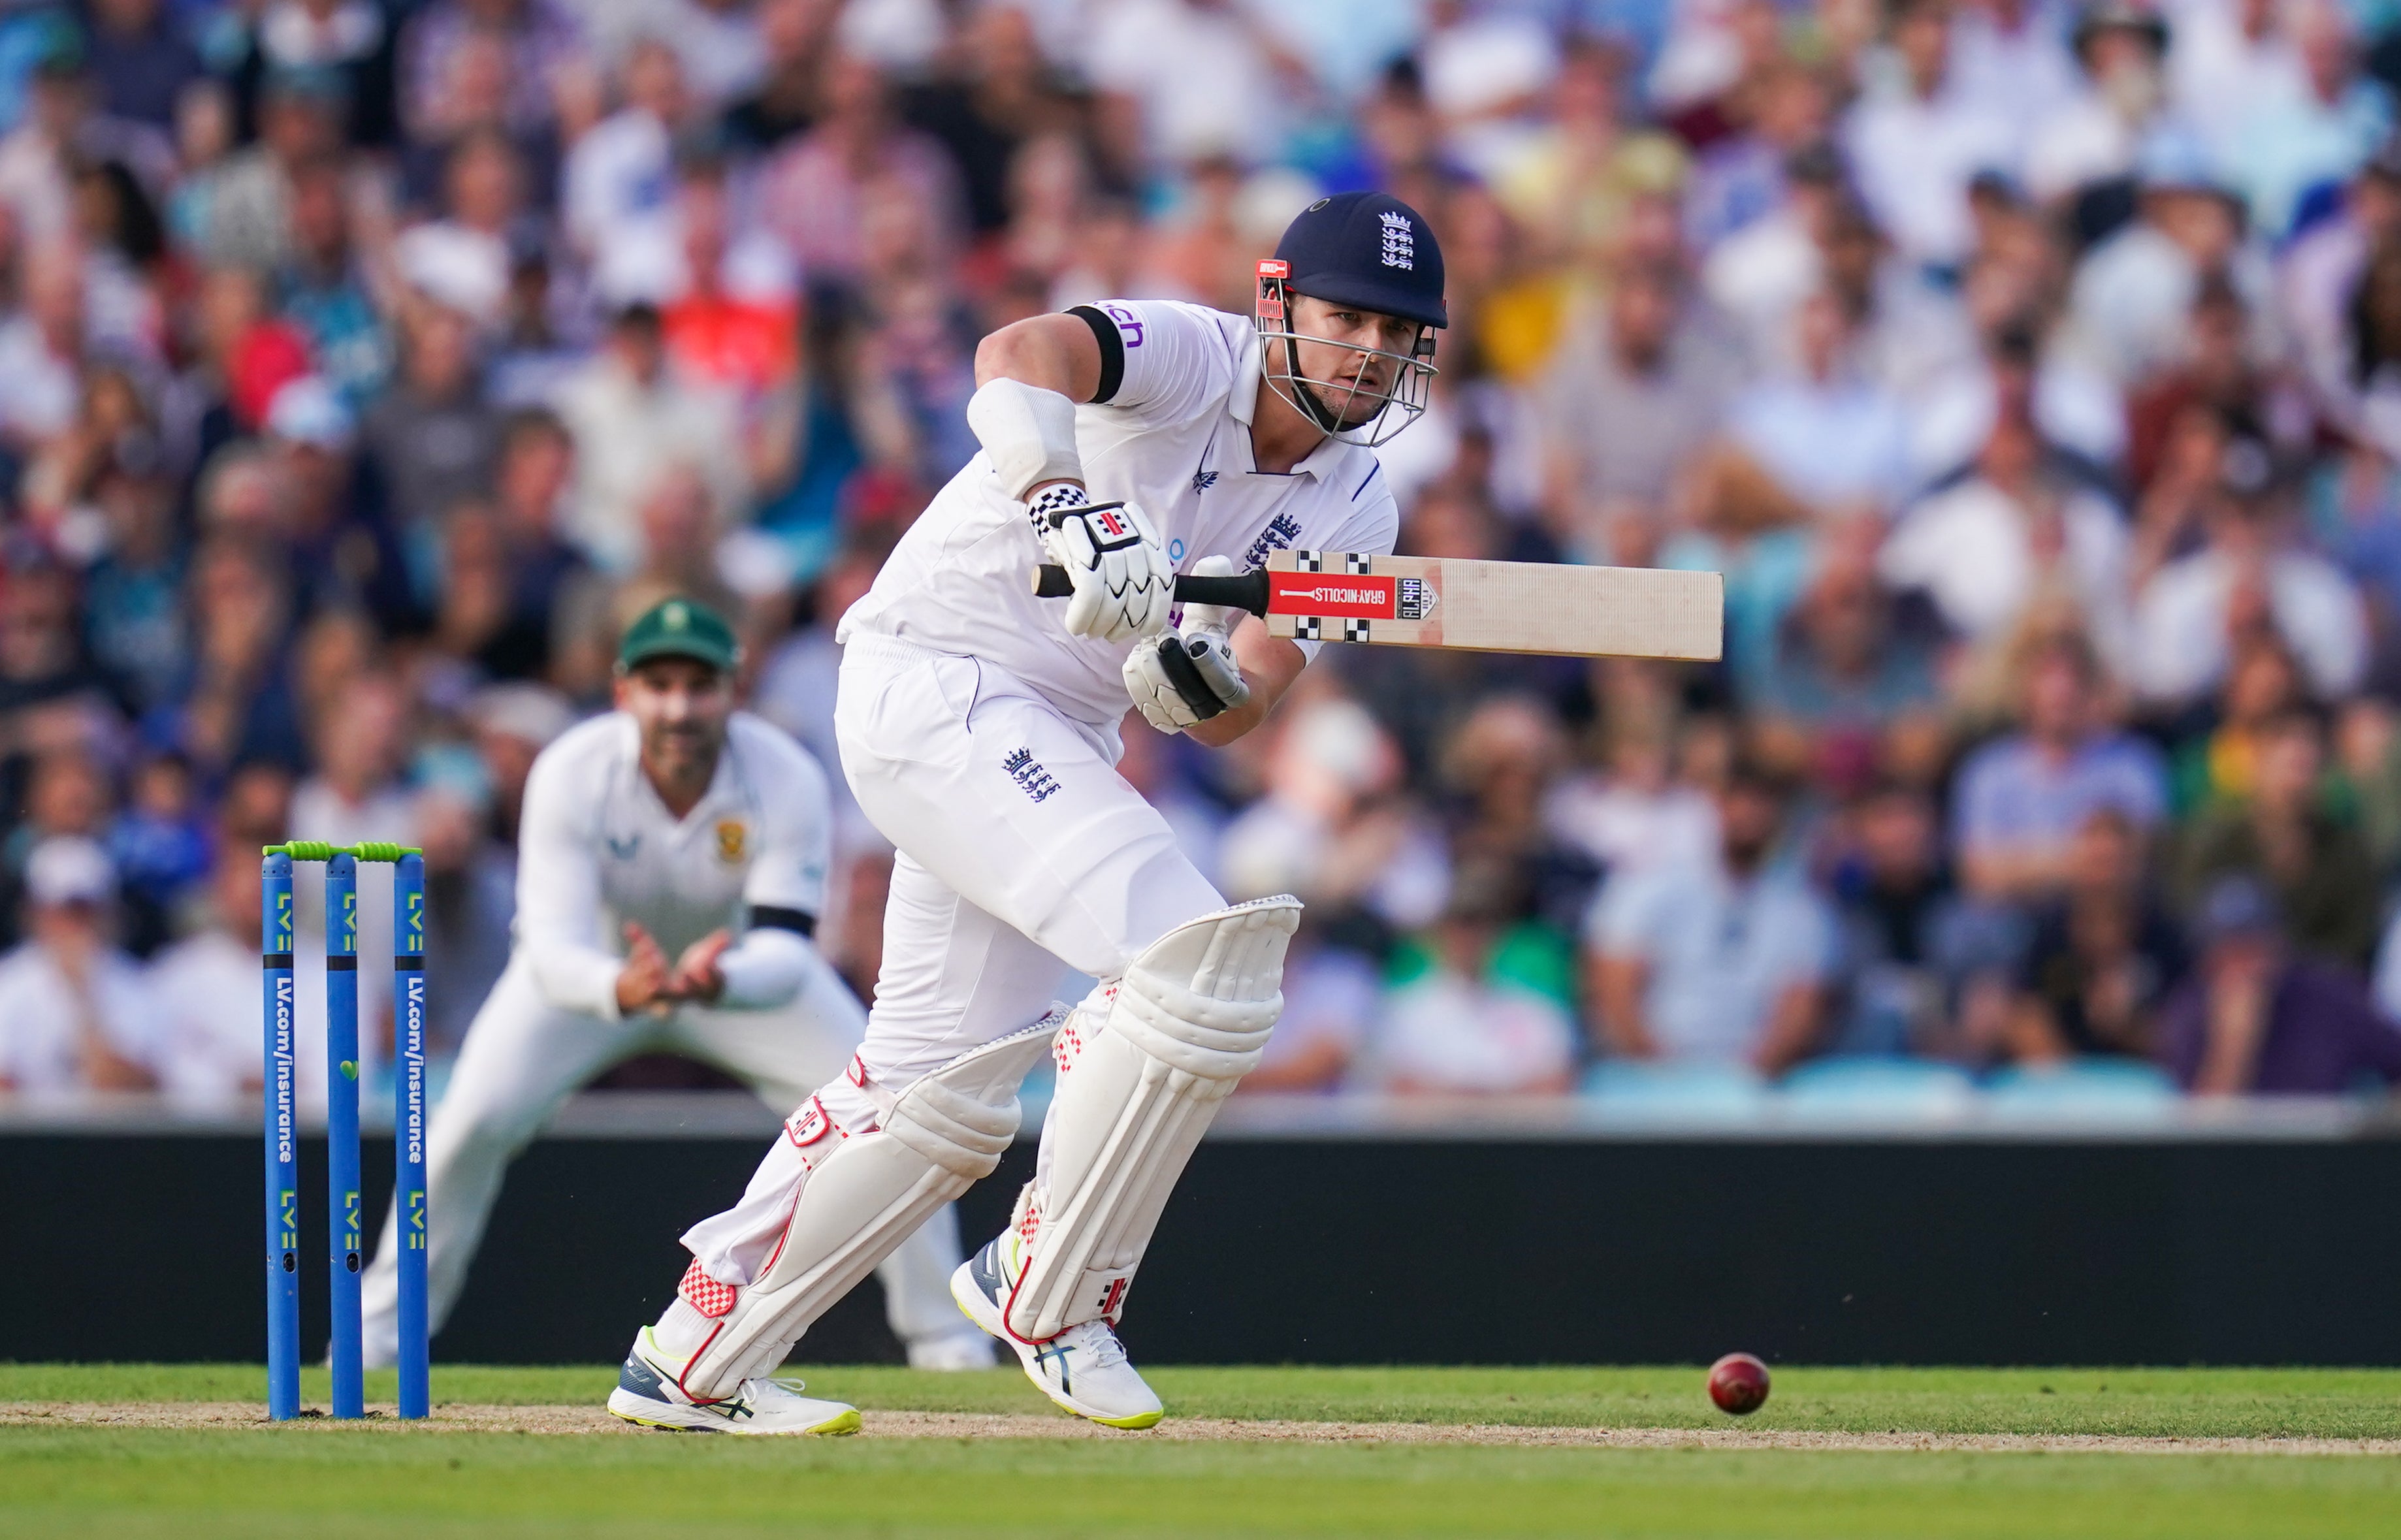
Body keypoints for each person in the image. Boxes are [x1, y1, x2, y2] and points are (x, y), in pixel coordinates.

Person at [604, 191, 1447, 1434]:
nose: (1370, 351)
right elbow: (1017, 353)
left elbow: (1245, 696)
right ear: (1277, 305)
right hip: (935, 675)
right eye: (1345, 317)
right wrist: (1065, 494)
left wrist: (1193, 680)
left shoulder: (1358, 507)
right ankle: (1049, 1285)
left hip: (1050, 735)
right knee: (1200, 967)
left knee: (936, 1093)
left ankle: (695, 1352)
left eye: (1397, 330)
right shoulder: (1191, 352)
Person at [358, 597, 991, 1373]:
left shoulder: (783, 774)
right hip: (591, 982)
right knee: (463, 1129)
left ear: (734, 690)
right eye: (660, 686)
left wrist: (717, 977)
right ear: (623, 692)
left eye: (700, 686)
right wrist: (616, 988)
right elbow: (548, 945)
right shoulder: (572, 771)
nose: (680, 708)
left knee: (890, 1115)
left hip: (734, 980)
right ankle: (375, 1342)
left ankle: (946, 1344)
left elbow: (788, 953)